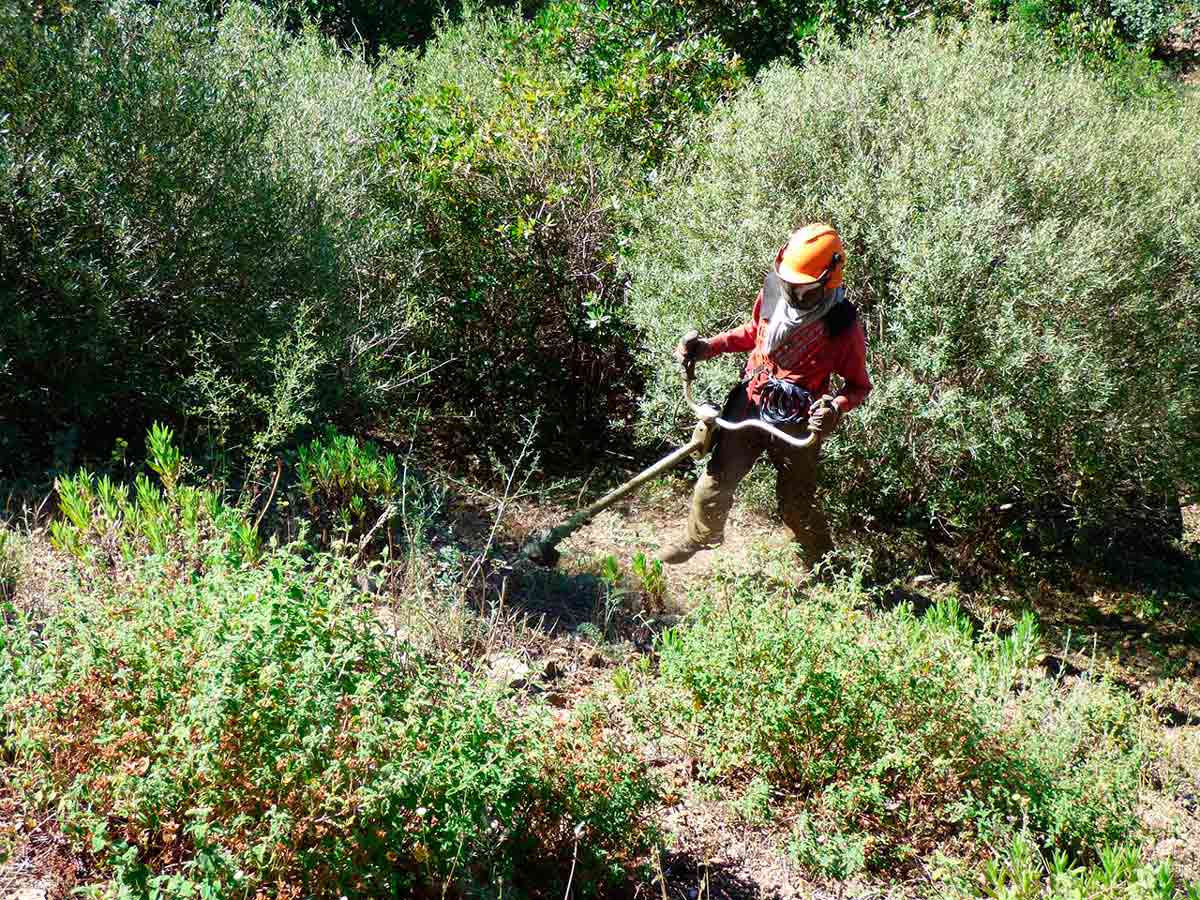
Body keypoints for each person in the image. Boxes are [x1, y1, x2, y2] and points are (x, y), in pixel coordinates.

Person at [657, 223, 872, 566]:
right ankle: (699, 537)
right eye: (789, 283)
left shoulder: (842, 326)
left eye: (803, 288)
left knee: (796, 504)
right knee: (716, 479)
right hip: (749, 403)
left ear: (828, 280)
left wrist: (833, 407)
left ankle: (823, 565)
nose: (793, 292)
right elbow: (754, 332)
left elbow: (859, 386)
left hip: (797, 423)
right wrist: (708, 347)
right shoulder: (774, 290)